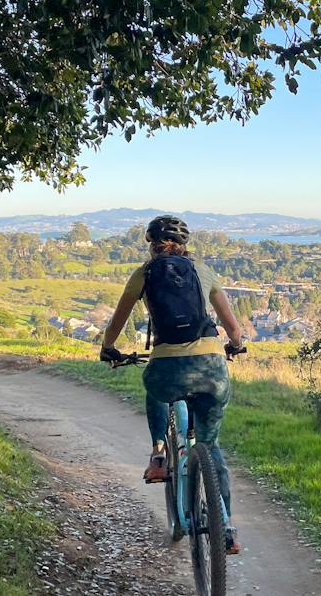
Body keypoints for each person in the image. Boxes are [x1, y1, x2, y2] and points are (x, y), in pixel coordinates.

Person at [100, 215, 245, 554]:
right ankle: (225, 528)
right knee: (211, 446)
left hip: (166, 363)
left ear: (150, 244)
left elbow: (118, 319)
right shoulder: (203, 271)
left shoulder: (144, 273)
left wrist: (108, 349)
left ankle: (158, 454)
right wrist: (235, 345)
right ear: (185, 244)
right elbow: (233, 328)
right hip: (211, 368)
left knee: (155, 387)